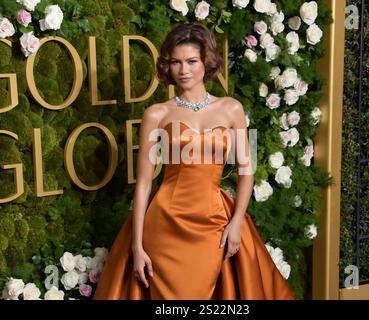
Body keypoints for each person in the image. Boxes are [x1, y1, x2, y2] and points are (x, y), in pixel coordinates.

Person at [93, 22, 294, 300]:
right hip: (165, 223)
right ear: (168, 66)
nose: (183, 70)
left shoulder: (231, 108)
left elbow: (247, 174)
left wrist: (236, 222)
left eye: (191, 61)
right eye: (176, 62)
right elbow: (142, 185)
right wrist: (137, 246)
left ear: (206, 62)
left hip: (213, 221)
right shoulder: (156, 114)